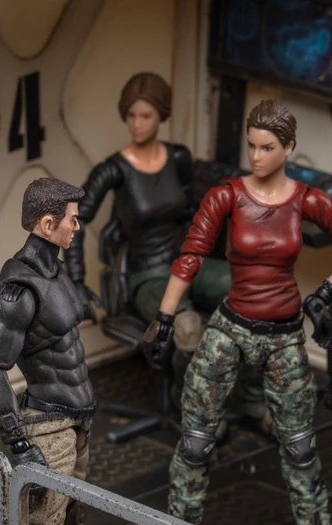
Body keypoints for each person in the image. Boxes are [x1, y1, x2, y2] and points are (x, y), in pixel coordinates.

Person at [146, 98, 332, 525]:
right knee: (196, 441)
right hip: (230, 329)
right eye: (251, 145)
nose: (256, 155)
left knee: (300, 446)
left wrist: (326, 294)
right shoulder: (226, 196)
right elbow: (191, 256)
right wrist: (164, 318)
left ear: (288, 148)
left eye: (267, 147)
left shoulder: (306, 199)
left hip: (285, 335)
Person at [65, 70, 267, 423]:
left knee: (258, 296)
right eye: (131, 115)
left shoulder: (178, 158)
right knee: (187, 327)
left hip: (188, 263)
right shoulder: (113, 169)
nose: (137, 124)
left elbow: (191, 214)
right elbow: (74, 220)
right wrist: (77, 282)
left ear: (161, 114)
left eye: (145, 115)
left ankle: (252, 401)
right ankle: (189, 405)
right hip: (149, 276)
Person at [0, 176, 114, 525]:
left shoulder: (57, 269)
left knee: (66, 523)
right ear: (47, 223)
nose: (77, 226)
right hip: (48, 428)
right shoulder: (18, 290)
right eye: (72, 220)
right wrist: (20, 447)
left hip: (78, 423)